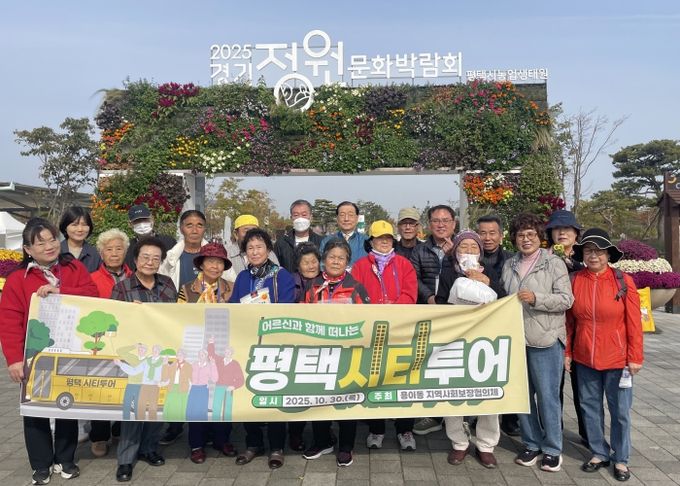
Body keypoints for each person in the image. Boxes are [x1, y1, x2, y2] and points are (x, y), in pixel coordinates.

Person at [0, 218, 98, 485]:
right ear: (27, 249)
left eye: (52, 239)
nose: (49, 246)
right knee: (35, 409)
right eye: (40, 242)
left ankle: (65, 459)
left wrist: (61, 290)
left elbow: (93, 294)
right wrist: (14, 360)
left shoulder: (72, 267)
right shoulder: (17, 279)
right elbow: (9, 322)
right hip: (35, 354)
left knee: (67, 405)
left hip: (69, 349)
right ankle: (41, 465)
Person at [566, 228, 643, 482]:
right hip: (584, 357)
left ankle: (621, 458)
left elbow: (634, 322)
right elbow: (569, 322)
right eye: (588, 250)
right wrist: (567, 352)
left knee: (620, 411)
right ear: (582, 254)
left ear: (608, 254)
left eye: (599, 251)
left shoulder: (623, 281)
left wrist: (635, 356)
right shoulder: (575, 280)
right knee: (589, 408)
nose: (594, 256)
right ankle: (599, 452)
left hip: (617, 358)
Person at [502, 213, 574, 473]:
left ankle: (553, 448)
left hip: (545, 340)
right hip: (516, 341)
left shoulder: (553, 263)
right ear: (514, 239)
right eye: (521, 235)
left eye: (531, 234)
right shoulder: (509, 264)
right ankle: (531, 443)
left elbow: (566, 299)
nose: (526, 239)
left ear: (540, 237)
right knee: (522, 397)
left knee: (547, 397)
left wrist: (536, 298)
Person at [434, 230, 505, 469]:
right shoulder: (447, 273)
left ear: (481, 253)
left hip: (485, 342)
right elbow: (440, 303)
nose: (469, 251)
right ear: (455, 251)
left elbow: (504, 300)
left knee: (488, 390)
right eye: (463, 247)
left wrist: (486, 282)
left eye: (474, 247)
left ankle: (486, 444)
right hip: (455, 340)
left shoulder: (491, 272)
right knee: (452, 391)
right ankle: (459, 442)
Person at [111, 236, 177, 482]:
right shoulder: (122, 288)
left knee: (157, 405)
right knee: (134, 409)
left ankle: (149, 448)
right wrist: (132, 314)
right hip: (135, 359)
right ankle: (126, 460)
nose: (150, 262)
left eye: (156, 258)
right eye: (145, 257)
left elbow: (175, 317)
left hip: (161, 356)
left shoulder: (167, 284)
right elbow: (115, 322)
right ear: (136, 259)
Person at [229, 228, 295, 469]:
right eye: (250, 248)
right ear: (244, 252)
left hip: (273, 343)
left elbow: (287, 307)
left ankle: (277, 446)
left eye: (259, 247)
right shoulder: (242, 277)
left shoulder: (282, 276)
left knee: (273, 394)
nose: (255, 252)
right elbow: (233, 307)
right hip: (247, 343)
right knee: (248, 394)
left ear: (268, 250)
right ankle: (253, 443)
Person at [302, 238, 370, 467]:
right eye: (332, 257)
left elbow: (368, 319)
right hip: (319, 352)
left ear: (347, 261)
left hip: (348, 353)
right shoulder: (312, 286)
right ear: (324, 259)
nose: (336, 261)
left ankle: (346, 446)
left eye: (341, 258)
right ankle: (322, 441)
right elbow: (302, 315)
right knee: (319, 398)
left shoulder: (356, 287)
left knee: (346, 399)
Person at [352, 221, 418, 451]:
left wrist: (392, 311)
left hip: (400, 330)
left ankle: (405, 429)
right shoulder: (361, 265)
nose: (384, 242)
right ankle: (376, 429)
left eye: (388, 238)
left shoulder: (404, 264)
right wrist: (374, 313)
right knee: (375, 380)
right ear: (371, 241)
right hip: (372, 331)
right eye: (379, 238)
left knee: (403, 379)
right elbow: (355, 295)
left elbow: (410, 294)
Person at [175, 242, 239, 463]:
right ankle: (196, 444)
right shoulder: (187, 289)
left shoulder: (232, 288)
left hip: (223, 348)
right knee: (198, 398)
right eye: (210, 261)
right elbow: (178, 318)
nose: (215, 266)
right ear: (201, 264)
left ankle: (222, 439)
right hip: (197, 351)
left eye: (220, 262)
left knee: (222, 396)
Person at [158, 209, 207, 444]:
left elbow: (230, 283)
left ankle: (205, 427)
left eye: (199, 225)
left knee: (203, 377)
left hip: (207, 324)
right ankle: (175, 424)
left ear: (204, 229)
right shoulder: (172, 257)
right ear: (181, 228)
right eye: (189, 225)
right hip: (177, 325)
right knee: (178, 377)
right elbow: (160, 285)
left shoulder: (215, 254)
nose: (194, 229)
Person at [410, 204, 456, 436]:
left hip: (456, 313)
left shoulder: (462, 246)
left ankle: (457, 415)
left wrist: (452, 255)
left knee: (454, 362)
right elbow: (414, 277)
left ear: (454, 224)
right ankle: (433, 414)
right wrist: (429, 297)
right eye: (436, 220)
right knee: (431, 362)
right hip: (429, 312)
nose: (441, 224)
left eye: (446, 220)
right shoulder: (420, 250)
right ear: (429, 225)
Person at [545, 209, 588, 447]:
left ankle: (588, 433)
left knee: (584, 387)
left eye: (567, 229)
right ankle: (553, 431)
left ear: (576, 233)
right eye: (557, 229)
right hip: (553, 328)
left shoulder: (587, 256)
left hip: (581, 330)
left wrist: (572, 264)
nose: (562, 233)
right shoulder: (542, 257)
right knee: (553, 386)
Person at [89, 228, 133, 457]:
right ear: (101, 253)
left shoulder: (135, 276)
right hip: (102, 340)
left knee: (125, 386)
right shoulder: (92, 279)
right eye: (109, 249)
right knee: (101, 388)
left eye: (119, 248)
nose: (114, 253)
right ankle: (99, 435)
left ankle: (119, 430)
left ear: (125, 251)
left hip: (129, 339)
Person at [476, 214, 518, 436]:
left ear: (501, 236)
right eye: (482, 233)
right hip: (476, 326)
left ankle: (510, 419)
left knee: (507, 373)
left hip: (505, 324)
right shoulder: (470, 259)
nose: (487, 238)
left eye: (492, 233)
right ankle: (476, 416)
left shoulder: (512, 260)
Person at [274, 199, 323, 273]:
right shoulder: (281, 243)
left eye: (304, 215)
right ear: (291, 218)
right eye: (296, 215)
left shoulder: (321, 242)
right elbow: (275, 269)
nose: (300, 219)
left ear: (311, 217)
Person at [124, 204, 176, 271]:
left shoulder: (169, 242)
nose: (142, 224)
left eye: (145, 219)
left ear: (152, 220)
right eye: (137, 221)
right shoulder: (128, 249)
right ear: (130, 224)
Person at [319, 201, 368, 268]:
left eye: (350, 215)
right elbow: (322, 266)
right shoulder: (326, 241)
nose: (346, 219)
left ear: (357, 218)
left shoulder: (367, 241)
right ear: (337, 218)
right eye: (342, 215)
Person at [58, 206, 102, 272]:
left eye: (84, 225)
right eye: (74, 225)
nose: (80, 229)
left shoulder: (96, 254)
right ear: (65, 227)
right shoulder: (56, 252)